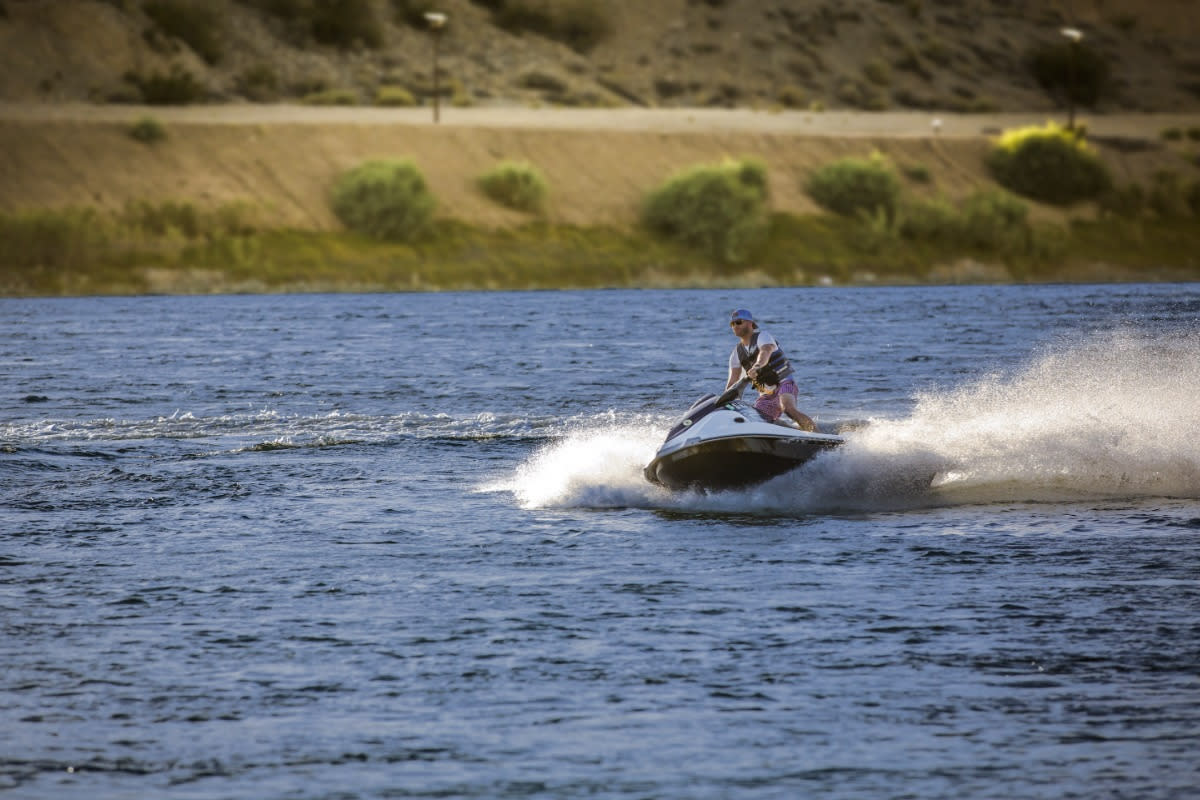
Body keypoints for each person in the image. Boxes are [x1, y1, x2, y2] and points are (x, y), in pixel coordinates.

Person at [725, 308, 816, 431]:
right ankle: (794, 432)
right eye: (732, 323)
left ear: (750, 323)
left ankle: (817, 434)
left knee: (787, 408)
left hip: (783, 382)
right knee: (758, 419)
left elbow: (765, 351)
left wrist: (757, 366)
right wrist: (724, 403)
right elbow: (732, 382)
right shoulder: (736, 353)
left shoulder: (763, 336)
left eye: (739, 322)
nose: (735, 326)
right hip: (766, 393)